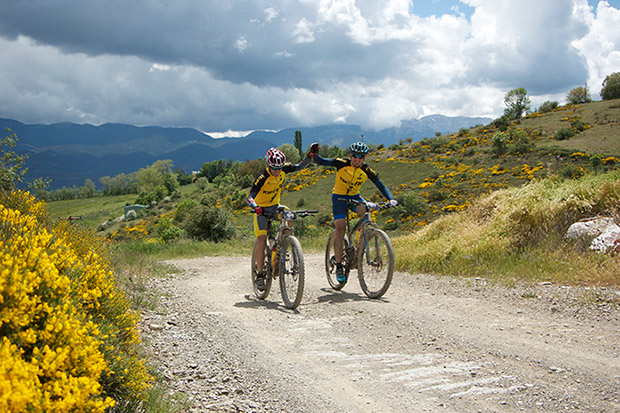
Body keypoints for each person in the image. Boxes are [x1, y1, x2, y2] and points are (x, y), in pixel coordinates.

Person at [312, 141, 398, 282]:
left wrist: (391, 199)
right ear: (351, 155)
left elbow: (381, 186)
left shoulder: (367, 170)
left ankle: (359, 246)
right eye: (355, 156)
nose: (357, 159)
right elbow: (321, 161)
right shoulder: (342, 163)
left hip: (354, 197)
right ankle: (339, 265)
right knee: (340, 230)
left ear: (364, 158)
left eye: (361, 156)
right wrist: (314, 154)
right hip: (339, 198)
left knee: (366, 213)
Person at [247, 146, 319, 290]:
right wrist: (256, 207)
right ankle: (260, 275)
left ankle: (285, 244)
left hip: (274, 206)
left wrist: (309, 156)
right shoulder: (262, 177)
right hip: (261, 210)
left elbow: (300, 166)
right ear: (268, 165)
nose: (277, 171)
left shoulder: (283, 169)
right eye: (274, 168)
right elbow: (249, 197)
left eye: (279, 168)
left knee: (289, 214)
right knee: (261, 240)